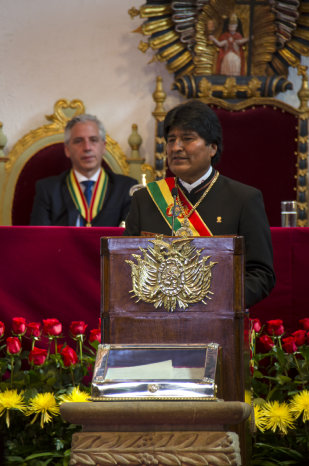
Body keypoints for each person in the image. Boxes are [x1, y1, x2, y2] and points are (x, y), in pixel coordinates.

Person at [124, 99, 275, 308]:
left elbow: (261, 274)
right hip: (156, 322)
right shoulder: (146, 199)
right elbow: (126, 268)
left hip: (219, 321)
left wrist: (217, 302)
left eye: (187, 139)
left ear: (212, 148)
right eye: (171, 140)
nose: (176, 147)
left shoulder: (244, 199)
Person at [30, 114, 137, 227]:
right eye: (78, 141)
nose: (87, 147)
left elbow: (131, 239)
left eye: (93, 140)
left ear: (103, 147)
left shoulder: (127, 188)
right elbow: (39, 239)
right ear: (67, 149)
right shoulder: (47, 190)